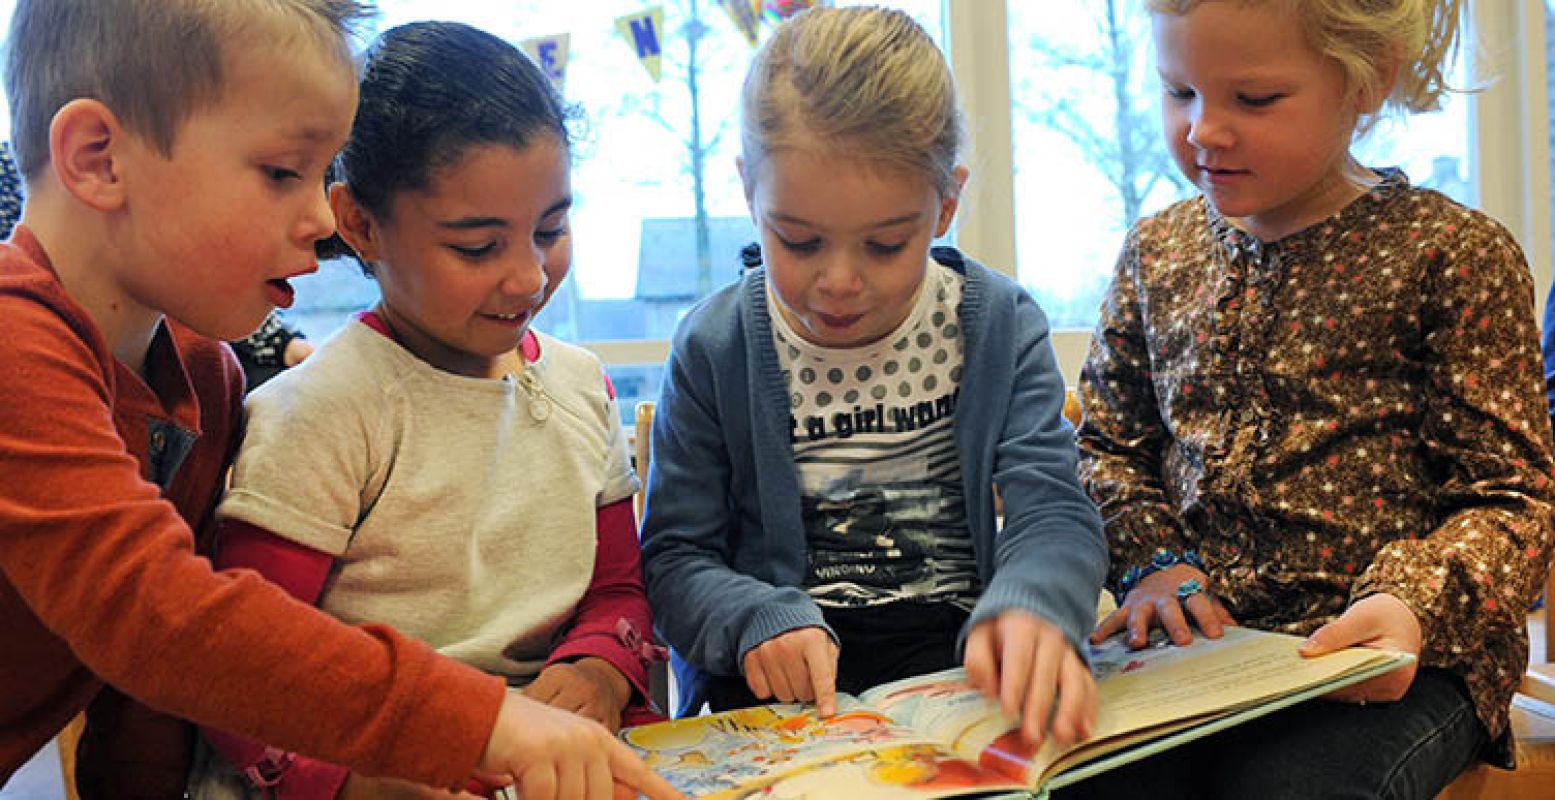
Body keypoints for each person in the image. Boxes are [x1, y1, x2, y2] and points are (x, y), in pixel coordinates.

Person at [0, 1, 680, 799]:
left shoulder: (202, 376)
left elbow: (149, 696)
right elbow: (157, 618)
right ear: (98, 158)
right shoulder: (13, 347)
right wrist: (477, 721)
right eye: (284, 173)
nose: (325, 218)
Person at [1069, 0, 1555, 797]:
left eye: (1252, 100)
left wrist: (1412, 604)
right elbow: (1108, 448)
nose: (1203, 130)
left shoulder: (1450, 255)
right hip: (1196, 654)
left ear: (1366, 83)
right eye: (1178, 91)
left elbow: (1512, 500)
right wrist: (1153, 565)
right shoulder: (1155, 254)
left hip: (1397, 662)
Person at [187, 20, 664, 799]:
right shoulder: (322, 413)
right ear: (361, 224)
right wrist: (354, 781)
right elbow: (241, 672)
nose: (528, 277)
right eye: (476, 248)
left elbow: (616, 591)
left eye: (551, 229)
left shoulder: (580, 386)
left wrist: (597, 672)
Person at [639, 5, 1108, 750]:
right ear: (747, 193)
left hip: (956, 664)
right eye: (797, 240)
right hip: (778, 678)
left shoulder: (995, 323)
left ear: (945, 203)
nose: (839, 282)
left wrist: (1030, 605)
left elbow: (1051, 514)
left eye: (886, 245)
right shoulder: (715, 344)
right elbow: (672, 561)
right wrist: (756, 619)